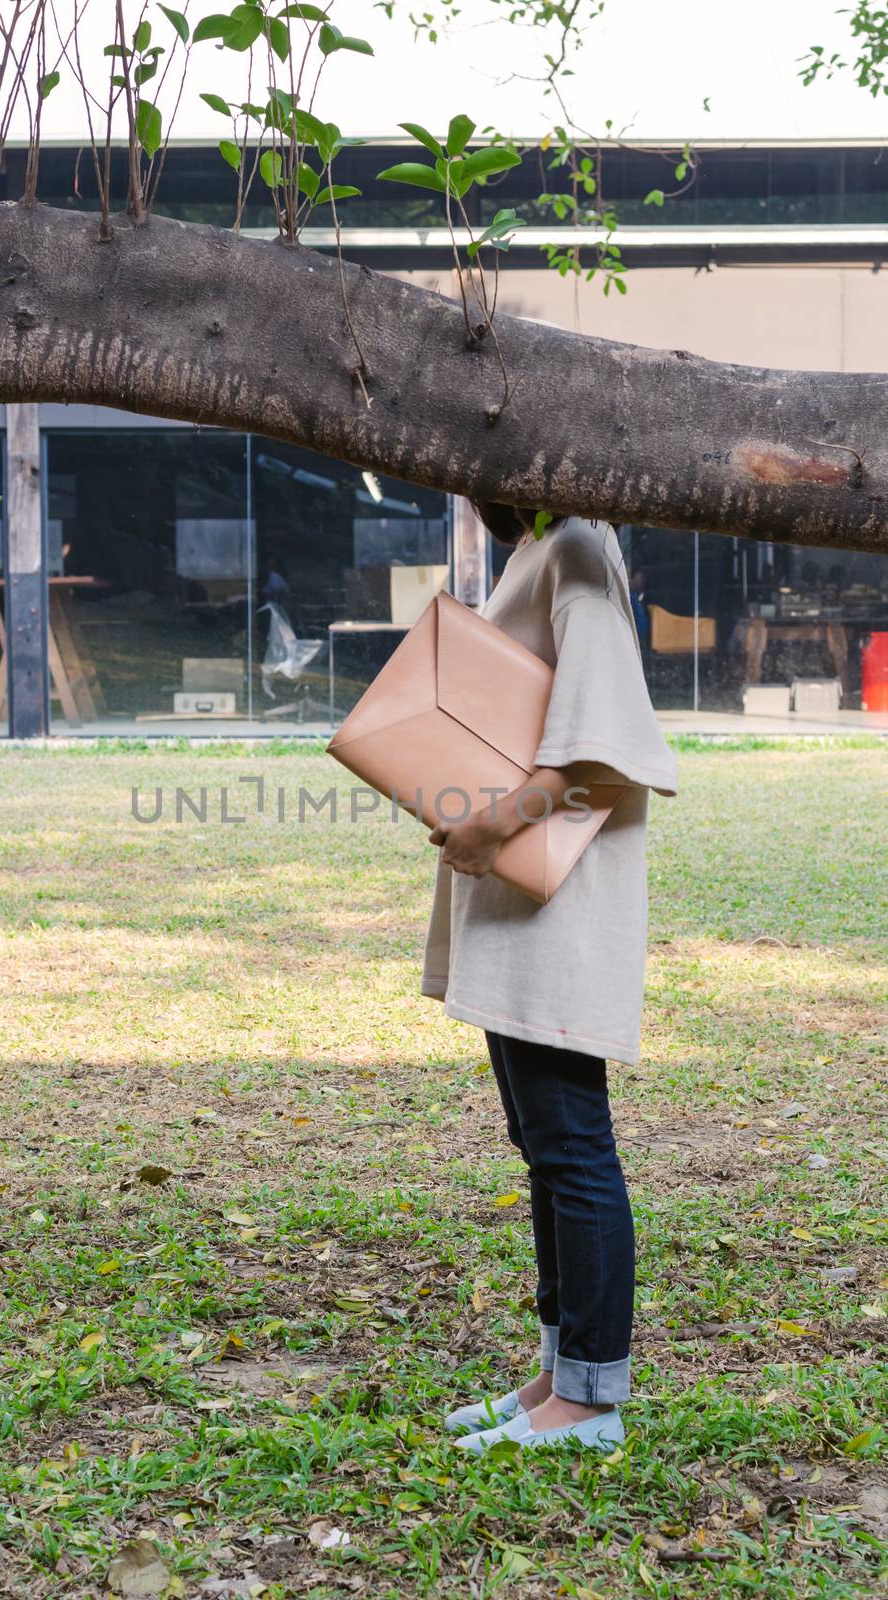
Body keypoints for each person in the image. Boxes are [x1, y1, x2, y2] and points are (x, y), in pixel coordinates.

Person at [423, 499, 678, 1455]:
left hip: (558, 897)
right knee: (545, 1146)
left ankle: (592, 1403)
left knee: (573, 1146)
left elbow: (609, 754)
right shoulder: (536, 543)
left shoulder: (576, 543)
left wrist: (494, 822)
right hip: (522, 898)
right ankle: (558, 1377)